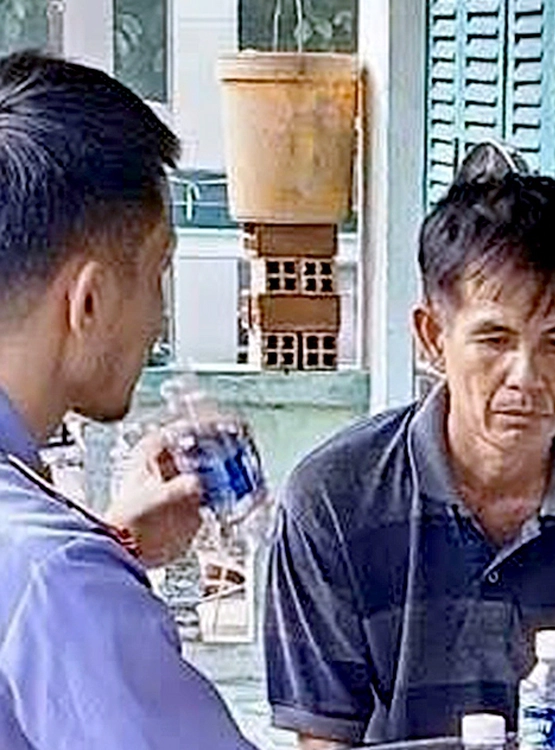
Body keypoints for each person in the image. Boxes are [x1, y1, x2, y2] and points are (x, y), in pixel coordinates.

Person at [263, 173, 555, 747]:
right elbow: (323, 740)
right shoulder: (333, 501)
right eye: (495, 339)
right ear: (433, 336)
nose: (525, 376)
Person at [0, 52, 255, 748]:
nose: (159, 318)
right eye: (157, 271)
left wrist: (113, 540)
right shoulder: (59, 578)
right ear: (88, 300)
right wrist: (91, 565)